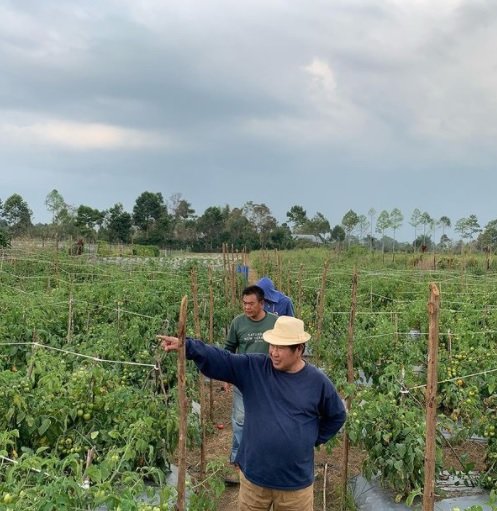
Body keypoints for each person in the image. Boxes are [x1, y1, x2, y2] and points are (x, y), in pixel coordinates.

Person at [159, 316, 346, 511]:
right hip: (254, 480)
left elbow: (337, 415)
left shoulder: (317, 382)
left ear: (299, 349)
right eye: (271, 345)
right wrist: (188, 347)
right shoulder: (255, 368)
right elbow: (223, 360)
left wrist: (311, 438)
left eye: (280, 347)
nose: (273, 352)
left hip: (295, 485)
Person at [224, 285, 278, 468]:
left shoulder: (275, 322)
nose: (247, 307)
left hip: (269, 380)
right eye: (244, 303)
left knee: (267, 418)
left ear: (262, 303)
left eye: (251, 304)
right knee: (240, 420)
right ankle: (238, 458)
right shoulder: (238, 323)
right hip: (243, 379)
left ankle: (262, 454)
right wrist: (226, 375)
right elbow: (229, 349)